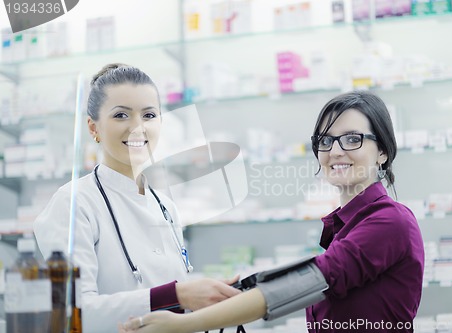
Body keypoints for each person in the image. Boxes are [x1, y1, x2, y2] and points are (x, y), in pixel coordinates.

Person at [119, 91, 425, 333]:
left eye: (352, 139)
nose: (335, 151)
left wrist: (184, 325)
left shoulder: (390, 221)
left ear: (383, 151)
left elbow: (314, 279)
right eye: (325, 140)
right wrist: (236, 292)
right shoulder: (346, 225)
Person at [33, 63, 240, 333]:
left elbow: (172, 307)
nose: (137, 127)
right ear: (93, 128)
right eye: (121, 115)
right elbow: (75, 314)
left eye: (149, 115)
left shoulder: (166, 206)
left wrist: (211, 298)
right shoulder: (73, 203)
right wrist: (178, 295)